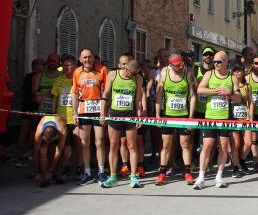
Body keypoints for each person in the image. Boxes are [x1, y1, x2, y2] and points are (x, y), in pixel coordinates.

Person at [194, 51, 240, 189]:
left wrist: (230, 93)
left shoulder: (232, 77)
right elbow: (200, 90)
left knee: (224, 147)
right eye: (214, 61)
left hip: (225, 117)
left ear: (226, 62)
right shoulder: (209, 74)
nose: (216, 64)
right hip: (210, 116)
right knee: (207, 146)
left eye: (219, 61)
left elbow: (239, 98)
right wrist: (217, 91)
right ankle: (201, 177)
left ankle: (219, 177)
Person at [99, 59, 144, 188]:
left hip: (130, 115)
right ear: (126, 69)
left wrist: (139, 115)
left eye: (137, 74)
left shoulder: (138, 78)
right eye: (134, 73)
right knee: (113, 145)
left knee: (132, 146)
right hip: (114, 114)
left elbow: (138, 98)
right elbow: (106, 94)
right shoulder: (113, 75)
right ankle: (113, 176)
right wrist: (102, 113)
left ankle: (134, 177)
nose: (135, 76)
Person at [154, 53, 197, 186]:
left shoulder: (188, 73)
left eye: (182, 64)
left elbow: (193, 96)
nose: (180, 67)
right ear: (171, 65)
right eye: (178, 65)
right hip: (168, 114)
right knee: (166, 144)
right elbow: (159, 94)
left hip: (183, 115)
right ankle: (162, 172)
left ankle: (187, 171)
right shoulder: (164, 73)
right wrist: (157, 115)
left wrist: (191, 117)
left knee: (185, 143)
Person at [72, 49, 108, 185]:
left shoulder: (102, 70)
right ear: (81, 59)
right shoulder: (77, 72)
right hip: (83, 110)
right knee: (84, 143)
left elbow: (105, 91)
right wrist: (75, 112)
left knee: (99, 141)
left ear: (94, 58)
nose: (87, 60)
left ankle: (101, 172)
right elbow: (75, 93)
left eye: (89, 57)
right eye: (84, 57)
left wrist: (104, 112)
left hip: (99, 110)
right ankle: (87, 172)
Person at [50, 55, 78, 176]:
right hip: (61, 119)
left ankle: (78, 167)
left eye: (69, 65)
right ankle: (63, 168)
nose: (67, 68)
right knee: (63, 146)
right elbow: (55, 99)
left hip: (75, 118)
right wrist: (53, 115)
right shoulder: (58, 81)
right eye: (65, 66)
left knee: (77, 145)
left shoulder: (78, 80)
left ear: (74, 67)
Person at [16, 58, 45, 167]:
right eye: (43, 64)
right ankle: (34, 156)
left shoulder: (27, 77)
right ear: (37, 66)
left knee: (24, 133)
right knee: (35, 134)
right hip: (34, 109)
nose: (44, 66)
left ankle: (19, 159)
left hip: (26, 107)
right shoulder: (37, 77)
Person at [230, 62, 253, 177]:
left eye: (239, 70)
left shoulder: (247, 86)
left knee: (249, 143)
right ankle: (235, 167)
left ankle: (241, 160)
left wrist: (251, 116)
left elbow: (251, 102)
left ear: (244, 72)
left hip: (245, 117)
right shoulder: (229, 84)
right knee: (236, 143)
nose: (237, 73)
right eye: (235, 70)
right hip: (233, 118)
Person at [32, 115, 69, 187]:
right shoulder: (39, 131)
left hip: (60, 127)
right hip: (47, 133)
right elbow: (35, 153)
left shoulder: (62, 130)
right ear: (43, 136)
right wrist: (36, 173)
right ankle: (43, 176)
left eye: (51, 141)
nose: (49, 143)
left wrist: (50, 170)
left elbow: (59, 151)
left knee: (67, 152)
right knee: (42, 152)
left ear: (56, 136)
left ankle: (56, 174)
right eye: (47, 141)